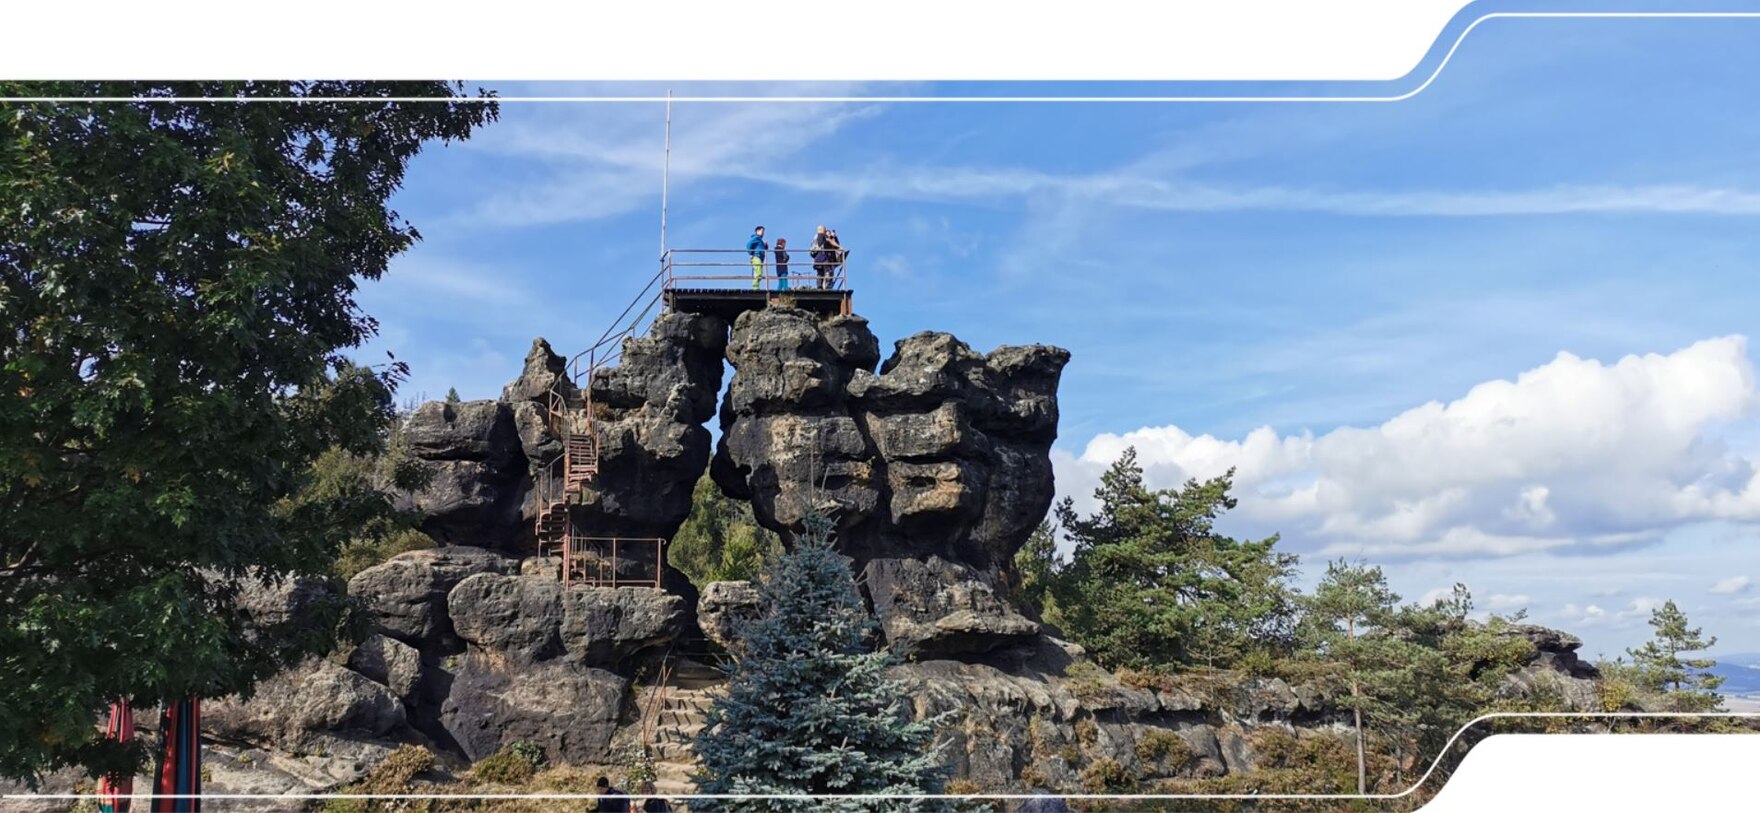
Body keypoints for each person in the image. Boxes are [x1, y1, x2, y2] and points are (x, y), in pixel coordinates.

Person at [745, 225, 768, 290]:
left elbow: (763, 249)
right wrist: (751, 253)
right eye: (762, 231)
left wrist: (765, 246)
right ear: (757, 231)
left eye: (763, 232)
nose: (763, 233)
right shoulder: (756, 238)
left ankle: (756, 287)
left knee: (759, 273)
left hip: (760, 258)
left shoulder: (760, 240)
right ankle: (755, 288)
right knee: (758, 273)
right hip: (756, 257)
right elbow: (748, 245)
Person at [809, 225, 831, 290]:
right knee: (827, 272)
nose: (825, 231)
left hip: (817, 258)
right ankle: (827, 287)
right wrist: (828, 237)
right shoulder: (821, 235)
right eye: (825, 230)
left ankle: (819, 286)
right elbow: (822, 243)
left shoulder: (814, 238)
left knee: (819, 273)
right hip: (822, 257)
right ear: (822, 230)